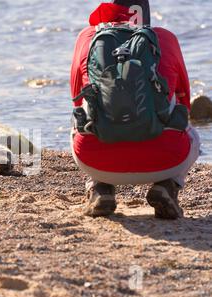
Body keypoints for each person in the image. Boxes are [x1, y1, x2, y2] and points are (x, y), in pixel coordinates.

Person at [70, 0, 200, 219]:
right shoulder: (164, 38)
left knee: (83, 114)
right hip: (167, 160)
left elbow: (76, 100)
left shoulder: (87, 37)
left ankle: (100, 187)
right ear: (145, 13)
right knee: (192, 133)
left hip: (95, 160)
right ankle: (167, 186)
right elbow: (183, 101)